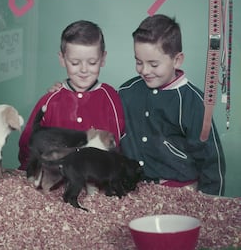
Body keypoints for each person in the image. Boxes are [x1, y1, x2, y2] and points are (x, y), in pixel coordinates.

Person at [118, 14, 226, 196]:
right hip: (132, 190)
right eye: (138, 62)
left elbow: (210, 160)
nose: (144, 71)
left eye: (153, 64)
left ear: (177, 60)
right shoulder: (126, 92)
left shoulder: (194, 101)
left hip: (181, 192)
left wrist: (211, 204)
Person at [18, 20, 125, 170]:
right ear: (62, 59)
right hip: (52, 176)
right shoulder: (50, 100)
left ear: (103, 59)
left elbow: (116, 145)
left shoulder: (110, 98)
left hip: (95, 180)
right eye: (75, 63)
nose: (83, 70)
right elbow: (27, 144)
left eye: (92, 62)